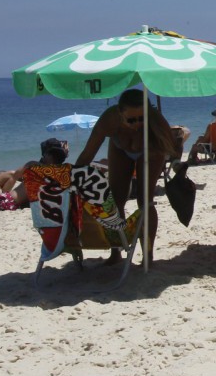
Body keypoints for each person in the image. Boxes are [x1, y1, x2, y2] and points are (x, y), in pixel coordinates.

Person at [73, 89, 178, 260]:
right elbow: (88, 154)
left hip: (150, 151)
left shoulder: (155, 120)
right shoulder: (109, 120)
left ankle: (148, 256)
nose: (137, 123)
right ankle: (116, 251)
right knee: (115, 200)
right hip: (120, 148)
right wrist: (73, 178)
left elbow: (173, 149)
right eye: (131, 120)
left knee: (145, 201)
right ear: (120, 113)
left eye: (142, 118)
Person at [0, 138, 69, 211]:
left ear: (45, 154)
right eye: (55, 155)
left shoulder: (34, 166)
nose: (55, 158)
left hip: (5, 202)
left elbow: (15, 176)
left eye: (57, 156)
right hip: (10, 203)